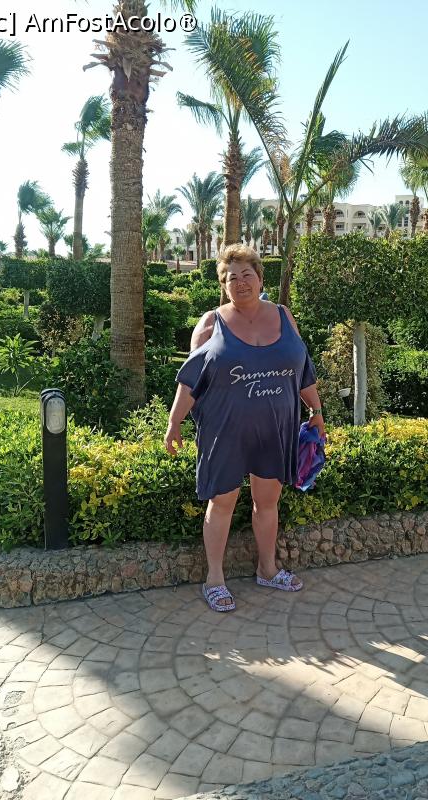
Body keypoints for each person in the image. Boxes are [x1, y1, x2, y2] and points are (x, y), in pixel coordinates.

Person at [165, 244, 325, 612]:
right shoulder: (211, 324)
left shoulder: (283, 316)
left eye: (246, 274)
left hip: (275, 428)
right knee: (221, 502)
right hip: (225, 430)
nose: (240, 282)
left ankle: (267, 569)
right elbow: (189, 381)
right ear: (223, 285)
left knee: (267, 502)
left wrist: (316, 410)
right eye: (231, 277)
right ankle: (214, 579)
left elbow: (302, 370)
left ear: (260, 279)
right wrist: (174, 423)